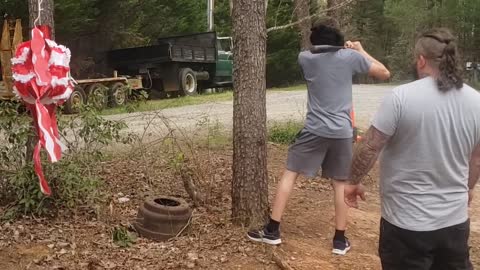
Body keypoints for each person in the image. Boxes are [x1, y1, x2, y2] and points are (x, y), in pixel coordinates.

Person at [247, 18, 391, 255]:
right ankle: (339, 240)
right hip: (342, 132)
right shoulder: (350, 57)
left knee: (290, 173)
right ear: (338, 41)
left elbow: (318, 52)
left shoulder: (305, 58)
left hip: (314, 129)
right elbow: (384, 73)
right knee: (340, 183)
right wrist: (359, 50)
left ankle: (272, 230)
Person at [345, 28, 479, 269]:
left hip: (406, 224)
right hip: (455, 223)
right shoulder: (476, 101)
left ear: (421, 60)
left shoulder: (400, 97)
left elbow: (370, 146)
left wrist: (352, 181)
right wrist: (468, 187)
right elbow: (477, 157)